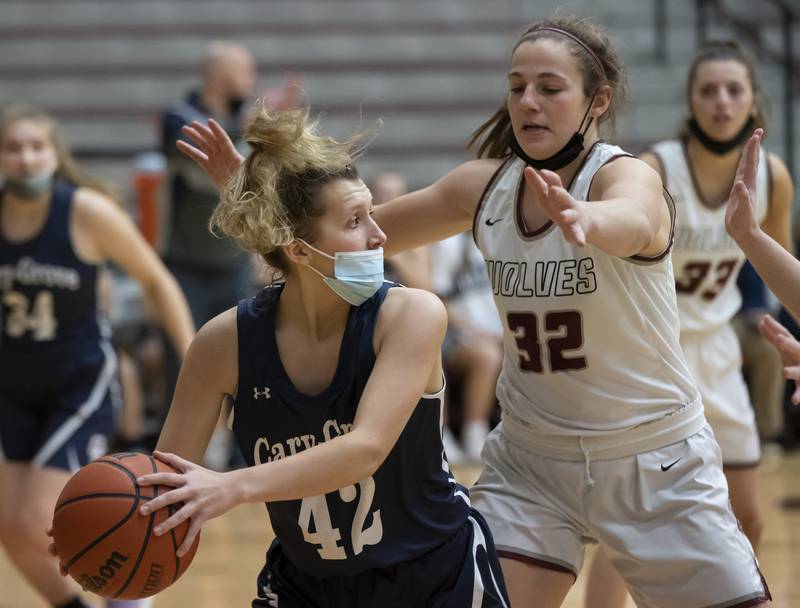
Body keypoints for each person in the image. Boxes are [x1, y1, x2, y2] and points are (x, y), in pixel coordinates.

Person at [176, 17, 770, 607]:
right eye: (517, 86)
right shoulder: (484, 189)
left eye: (549, 87)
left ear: (598, 101)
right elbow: (339, 233)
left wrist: (590, 221)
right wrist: (253, 197)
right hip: (534, 464)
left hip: (652, 456)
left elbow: (638, 217)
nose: (528, 102)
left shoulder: (623, 176)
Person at [121, 107, 509, 607]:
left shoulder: (411, 315)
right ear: (298, 251)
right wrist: (105, 528)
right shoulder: (223, 343)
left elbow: (365, 448)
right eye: (354, 220)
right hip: (306, 586)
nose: (379, 234)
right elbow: (166, 483)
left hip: (432, 576)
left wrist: (233, 486)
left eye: (370, 211)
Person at [583, 40, 794, 608]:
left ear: (753, 101)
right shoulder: (655, 167)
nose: (721, 101)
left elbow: (779, 269)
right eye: (708, 90)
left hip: (720, 351)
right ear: (690, 100)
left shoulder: (772, 175)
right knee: (638, 519)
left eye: (734, 89)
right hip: (655, 354)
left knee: (747, 514)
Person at [0, 105, 194, 608]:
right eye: (13, 148)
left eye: (36, 147)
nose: (25, 158)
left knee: (39, 516)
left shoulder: (85, 211)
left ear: (54, 154)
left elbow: (156, 279)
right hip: (12, 386)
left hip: (78, 382)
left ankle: (128, 591)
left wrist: (193, 359)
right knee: (9, 525)